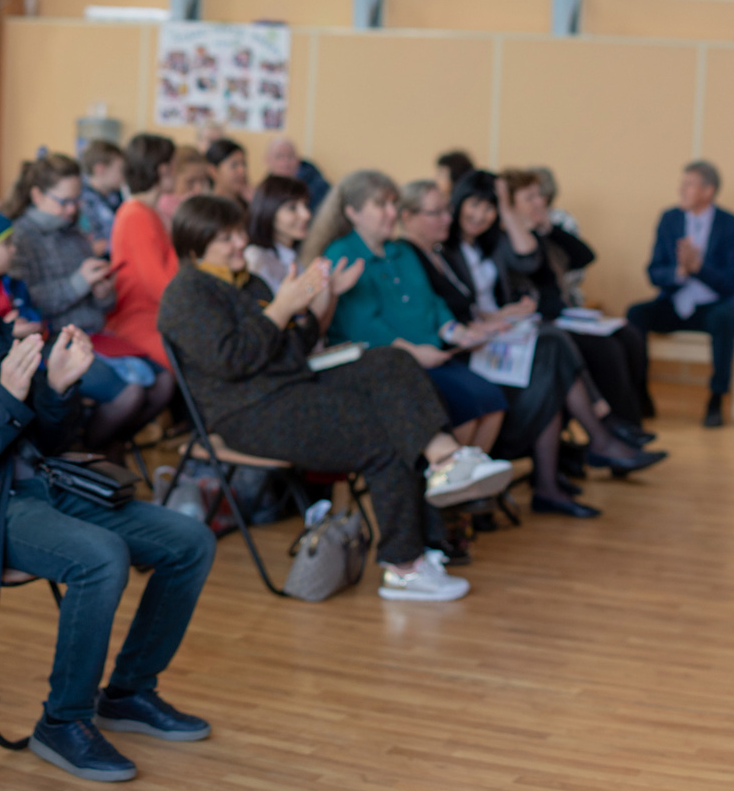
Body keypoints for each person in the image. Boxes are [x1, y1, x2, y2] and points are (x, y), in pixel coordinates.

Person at [0, 215, 216, 781]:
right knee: (101, 556)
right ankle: (63, 721)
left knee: (190, 540)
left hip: (37, 487)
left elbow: (47, 441)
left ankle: (128, 691)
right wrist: (9, 397)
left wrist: (56, 389)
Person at [157, 194, 518, 602]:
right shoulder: (186, 294)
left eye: (239, 231)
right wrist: (280, 309)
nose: (240, 242)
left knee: (392, 362)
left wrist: (320, 301)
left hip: (292, 386)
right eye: (225, 238)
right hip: (246, 412)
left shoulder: (249, 282)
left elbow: (294, 348)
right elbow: (232, 362)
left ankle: (446, 459)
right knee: (384, 434)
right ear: (194, 245)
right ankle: (404, 566)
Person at [438, 171, 664, 510]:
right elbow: (463, 308)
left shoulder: (485, 243)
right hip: (476, 343)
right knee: (557, 346)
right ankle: (601, 435)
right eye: (474, 206)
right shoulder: (449, 249)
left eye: (489, 208)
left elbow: (542, 259)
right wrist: (499, 316)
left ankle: (576, 460)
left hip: (503, 332)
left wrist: (504, 312)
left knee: (608, 341)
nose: (481, 215)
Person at [315, 170, 512, 454]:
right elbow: (361, 324)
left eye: (393, 204)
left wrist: (457, 332)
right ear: (352, 212)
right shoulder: (342, 254)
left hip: (428, 355)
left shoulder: (401, 251)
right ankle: (445, 488)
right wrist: (413, 352)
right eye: (381, 205)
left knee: (493, 401)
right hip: (391, 363)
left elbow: (432, 302)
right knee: (465, 410)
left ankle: (468, 489)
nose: (392, 213)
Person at [3, 152, 176, 447]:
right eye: (64, 202)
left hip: (95, 334)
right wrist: (79, 283)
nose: (72, 210)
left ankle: (108, 443)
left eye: (76, 200)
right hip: (52, 339)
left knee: (164, 383)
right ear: (37, 195)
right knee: (129, 394)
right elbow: (27, 303)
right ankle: (92, 452)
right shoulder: (21, 238)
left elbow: (103, 306)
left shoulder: (75, 234)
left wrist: (103, 292)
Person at [500, 168, 653, 435]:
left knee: (629, 336)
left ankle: (632, 424)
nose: (540, 202)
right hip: (542, 321)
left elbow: (584, 256)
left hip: (564, 314)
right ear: (511, 207)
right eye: (530, 198)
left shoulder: (543, 232)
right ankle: (617, 432)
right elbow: (531, 271)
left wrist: (549, 229)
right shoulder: (511, 240)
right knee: (607, 350)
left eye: (540, 196)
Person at [629, 160, 734, 426]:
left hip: (711, 307)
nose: (681, 190)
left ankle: (716, 399)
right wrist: (680, 272)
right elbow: (653, 272)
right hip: (674, 302)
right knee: (635, 314)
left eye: (688, 185)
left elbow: (730, 283)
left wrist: (698, 268)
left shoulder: (732, 226)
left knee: (725, 318)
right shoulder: (669, 219)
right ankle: (641, 394)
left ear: (708, 190)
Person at [102, 134, 182, 370]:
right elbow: (160, 285)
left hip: (156, 315)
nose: (177, 172)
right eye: (174, 165)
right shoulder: (137, 215)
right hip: (140, 319)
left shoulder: (149, 212)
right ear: (163, 169)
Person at [244, 175, 315, 295]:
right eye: (292, 208)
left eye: (305, 205)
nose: (306, 215)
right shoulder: (256, 259)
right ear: (268, 210)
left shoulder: (290, 255)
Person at [78, 139, 126, 241]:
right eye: (120, 170)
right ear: (100, 169)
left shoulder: (116, 195)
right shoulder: (81, 200)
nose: (124, 175)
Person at [264, 136, 328, 212]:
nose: (285, 163)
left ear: (298, 159)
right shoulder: (265, 188)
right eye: (279, 156)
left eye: (290, 156)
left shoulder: (319, 187)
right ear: (267, 160)